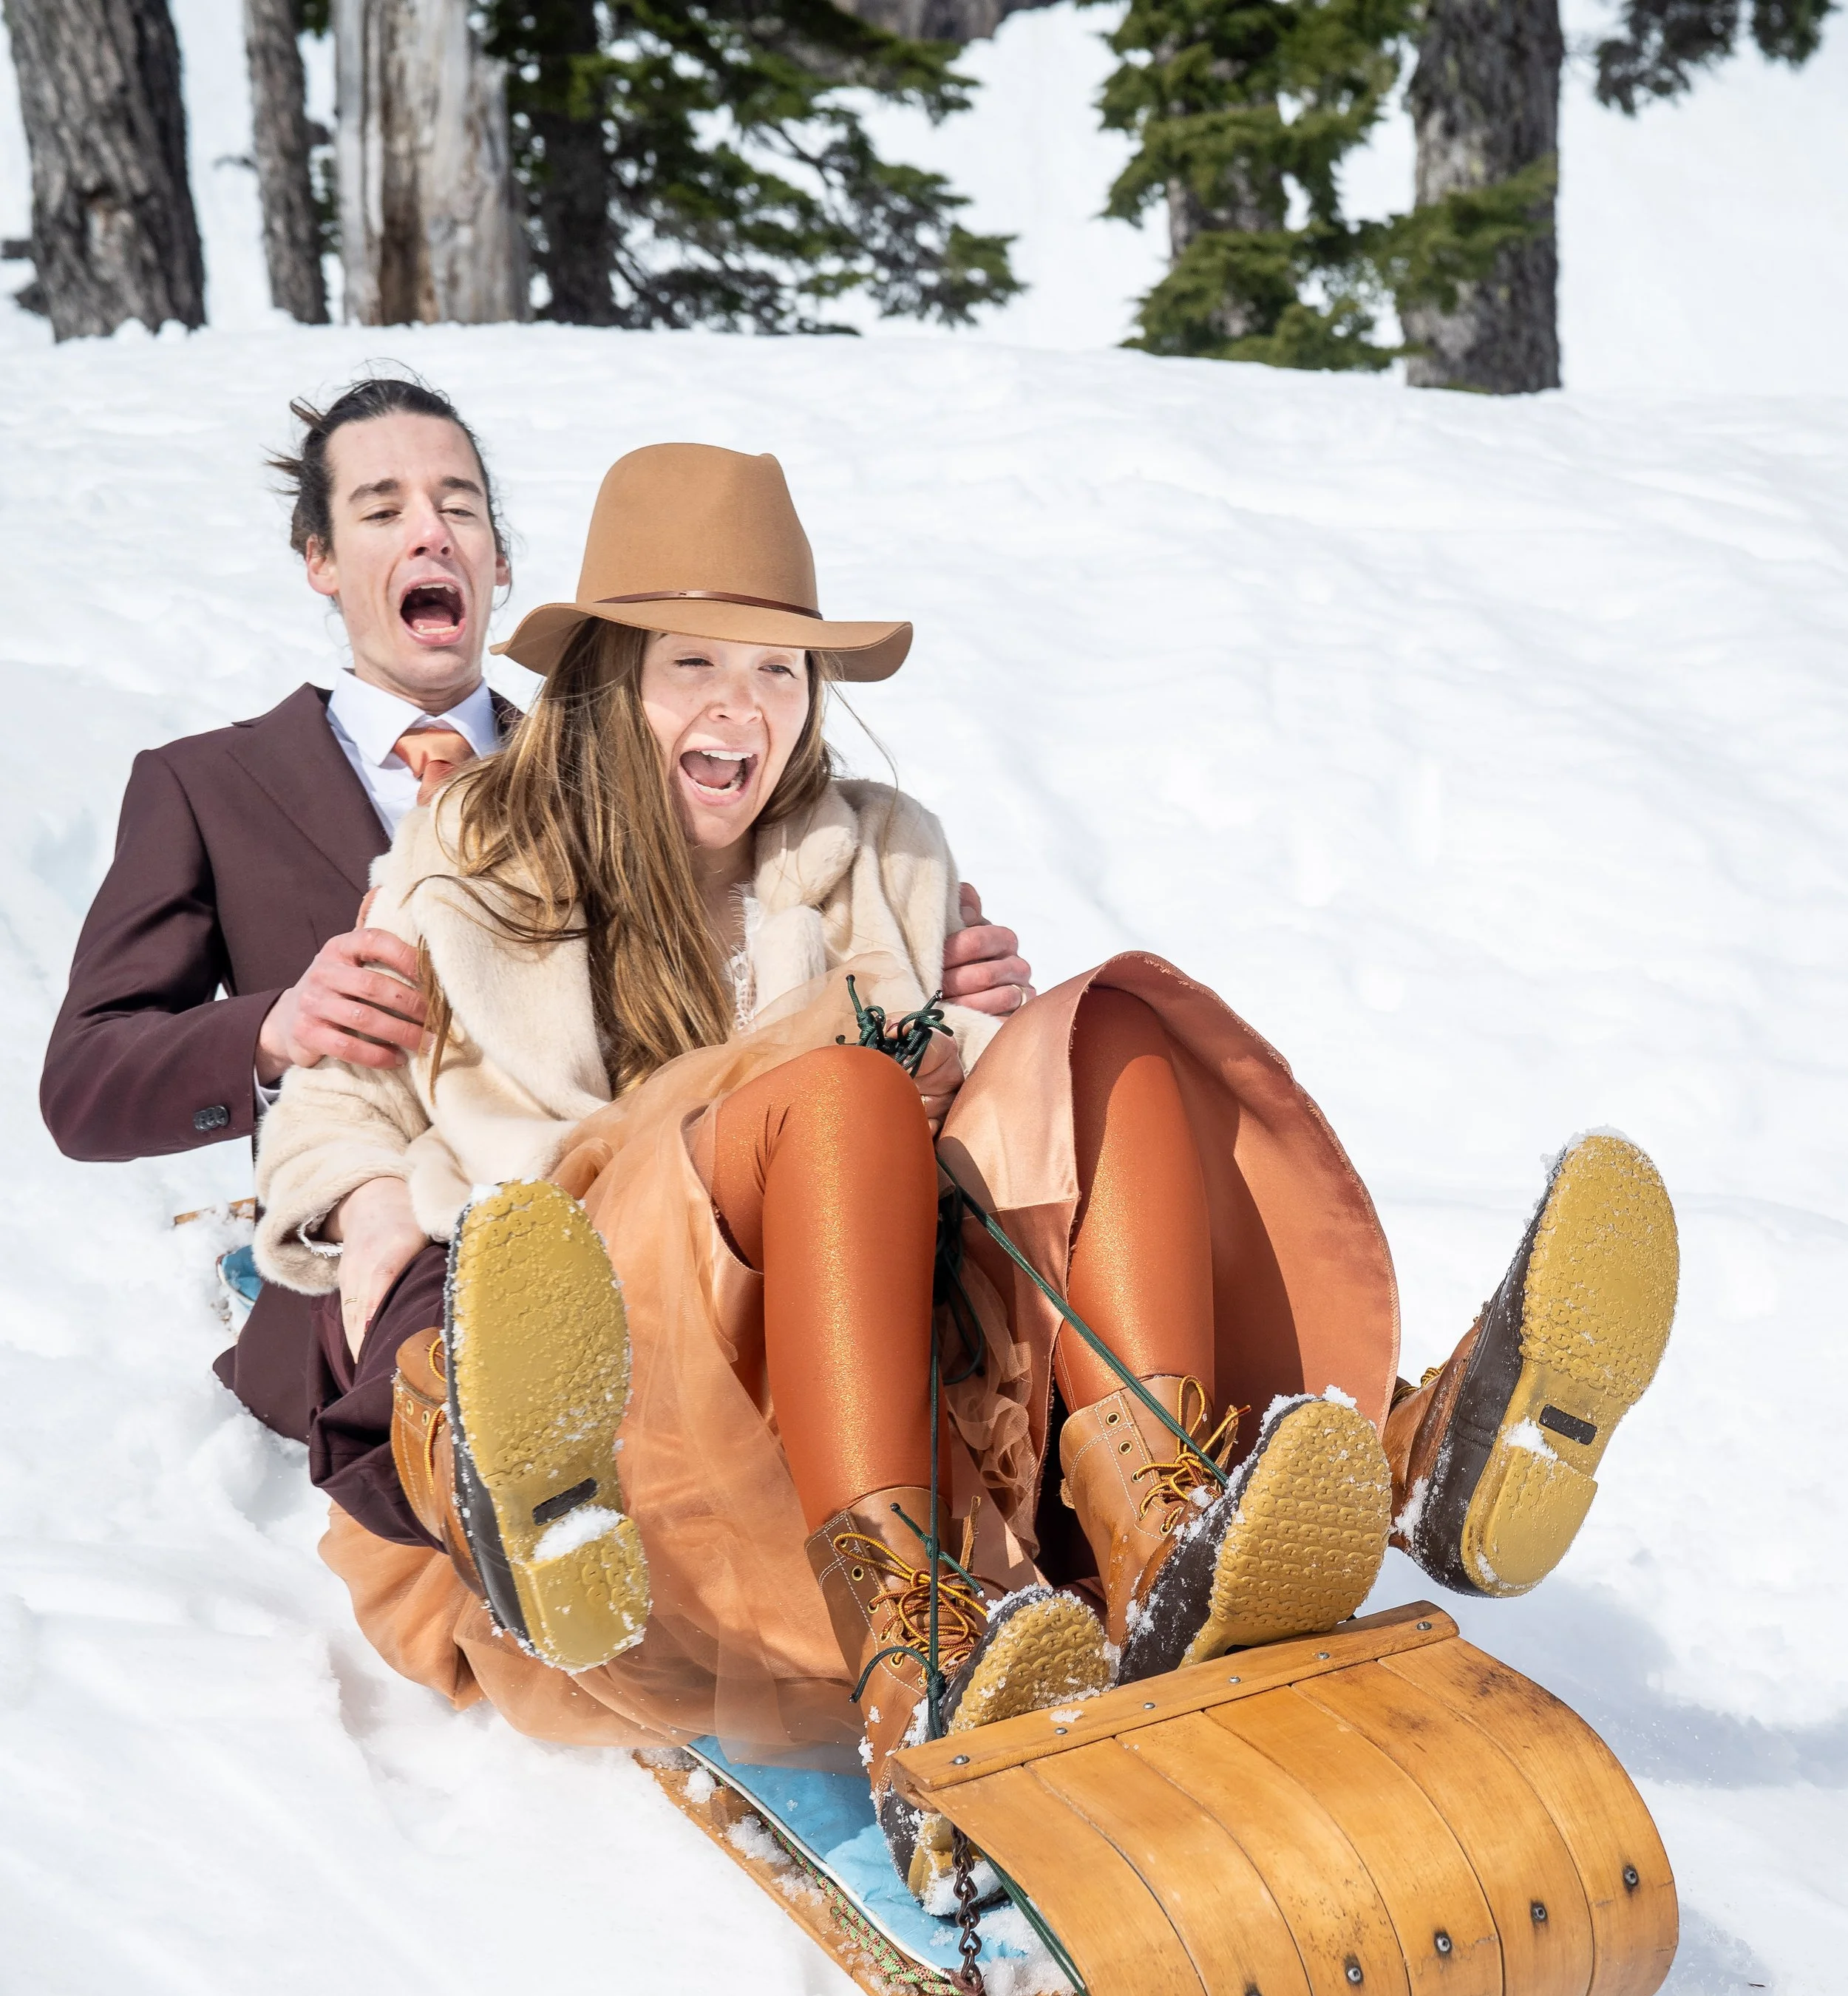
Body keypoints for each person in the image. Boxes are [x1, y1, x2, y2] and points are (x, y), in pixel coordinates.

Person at [251, 444, 1679, 1906]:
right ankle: (907, 1642)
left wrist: (992, 1046)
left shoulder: (874, 853)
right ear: (611, 675)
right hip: (636, 1389)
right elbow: (335, 1106)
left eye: (781, 671)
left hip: (875, 1363)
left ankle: (1183, 1513)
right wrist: (369, 1220)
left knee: (1099, 1032)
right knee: (837, 1091)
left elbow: (1004, 1131)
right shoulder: (465, 864)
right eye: (692, 663)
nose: (743, 709)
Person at [38, 379, 1031, 1445]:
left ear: (500, 561)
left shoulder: (651, 754)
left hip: (679, 1217)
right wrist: (278, 1031)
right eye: (382, 510)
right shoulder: (210, 784)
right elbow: (87, 1082)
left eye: (459, 506)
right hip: (389, 1251)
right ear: (320, 560)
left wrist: (940, 993)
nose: (430, 532)